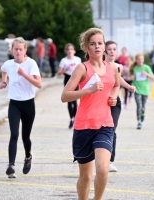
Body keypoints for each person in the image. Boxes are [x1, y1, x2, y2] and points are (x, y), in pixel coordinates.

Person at [61, 28, 120, 200]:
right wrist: (89, 90)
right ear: (86, 48)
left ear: (104, 46)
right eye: (92, 44)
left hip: (105, 125)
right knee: (86, 176)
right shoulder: (82, 68)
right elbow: (65, 96)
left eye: (100, 43)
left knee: (102, 169)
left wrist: (113, 97)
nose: (97, 47)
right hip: (84, 125)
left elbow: (115, 84)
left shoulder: (113, 68)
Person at [0, 37, 42, 178]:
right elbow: (4, 70)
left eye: (20, 49)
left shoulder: (31, 64)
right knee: (14, 134)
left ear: (25, 51)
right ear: (12, 50)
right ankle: (11, 166)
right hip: (14, 104)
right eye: (15, 49)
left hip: (28, 103)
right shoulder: (8, 64)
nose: (18, 51)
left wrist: (24, 74)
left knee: (25, 137)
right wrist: (4, 82)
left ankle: (28, 157)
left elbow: (39, 84)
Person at [104, 40, 135, 172]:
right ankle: (94, 157)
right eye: (109, 49)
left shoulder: (118, 67)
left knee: (112, 129)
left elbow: (118, 80)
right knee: (97, 130)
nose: (112, 51)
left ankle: (110, 161)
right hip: (100, 102)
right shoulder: (99, 65)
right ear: (105, 51)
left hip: (115, 102)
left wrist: (128, 86)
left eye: (114, 49)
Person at [57, 43, 82, 129]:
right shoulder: (64, 61)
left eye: (71, 49)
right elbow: (58, 73)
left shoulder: (78, 59)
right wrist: (64, 70)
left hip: (76, 80)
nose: (70, 51)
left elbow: (82, 70)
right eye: (68, 49)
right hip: (67, 79)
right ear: (66, 51)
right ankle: (71, 119)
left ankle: (75, 119)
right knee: (69, 100)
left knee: (74, 100)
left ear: (74, 51)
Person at [129, 53, 154, 129]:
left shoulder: (146, 67)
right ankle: (139, 122)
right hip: (137, 90)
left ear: (143, 59)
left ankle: (143, 114)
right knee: (139, 106)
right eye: (138, 59)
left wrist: (146, 74)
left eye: (141, 59)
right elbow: (130, 77)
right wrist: (132, 77)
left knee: (143, 107)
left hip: (145, 90)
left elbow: (153, 77)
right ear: (136, 60)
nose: (140, 60)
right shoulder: (133, 68)